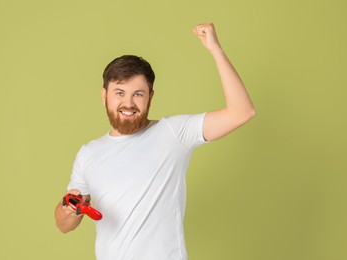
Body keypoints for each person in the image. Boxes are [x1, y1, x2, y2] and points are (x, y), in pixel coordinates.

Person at [54, 23, 256, 260]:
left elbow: (242, 112)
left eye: (137, 94)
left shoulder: (173, 133)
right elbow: (64, 225)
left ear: (150, 96)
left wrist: (215, 49)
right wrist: (70, 209)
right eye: (120, 92)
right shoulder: (89, 154)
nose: (128, 103)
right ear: (104, 96)